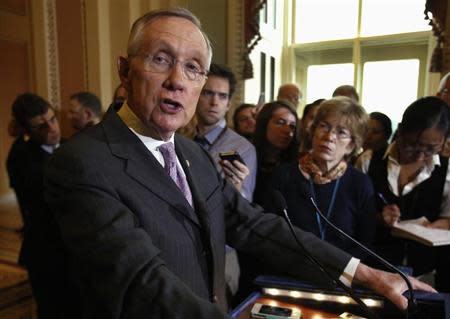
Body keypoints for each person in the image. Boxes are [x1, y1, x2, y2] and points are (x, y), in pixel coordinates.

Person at [44, 8, 433, 318]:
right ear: (125, 71)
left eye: (193, 68)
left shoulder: (193, 153)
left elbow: (252, 225)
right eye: (161, 59)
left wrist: (364, 274)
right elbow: (141, 282)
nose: (177, 80)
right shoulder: (81, 163)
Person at [356, 96, 450, 292]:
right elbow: (350, 216)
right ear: (400, 131)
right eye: (412, 145)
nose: (420, 155)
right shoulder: (369, 161)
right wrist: (377, 217)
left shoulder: (447, 171)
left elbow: (447, 216)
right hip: (372, 270)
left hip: (425, 275)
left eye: (431, 149)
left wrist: (438, 226)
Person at [265, 97, 376, 259]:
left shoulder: (360, 183)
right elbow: (269, 228)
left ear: (351, 145)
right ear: (313, 131)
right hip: (289, 269)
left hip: (339, 275)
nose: (329, 136)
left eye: (341, 132)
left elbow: (365, 242)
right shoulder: (284, 175)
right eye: (324, 127)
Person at [6, 93, 70, 318]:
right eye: (40, 126)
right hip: (46, 250)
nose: (52, 128)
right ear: (26, 131)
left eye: (52, 119)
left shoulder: (69, 145)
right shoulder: (21, 159)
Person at [194, 63, 257, 201]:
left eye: (222, 96)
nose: (214, 102)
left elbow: (245, 207)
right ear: (196, 96)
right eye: (208, 93)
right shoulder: (182, 137)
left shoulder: (244, 148)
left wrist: (236, 187)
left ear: (228, 104)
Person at [252, 100, 299, 205]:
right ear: (264, 124)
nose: (287, 131)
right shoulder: (248, 156)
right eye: (280, 123)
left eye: (292, 126)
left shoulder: (297, 165)